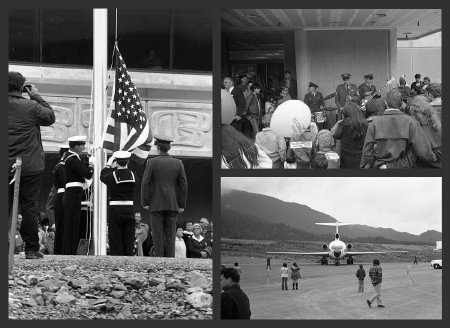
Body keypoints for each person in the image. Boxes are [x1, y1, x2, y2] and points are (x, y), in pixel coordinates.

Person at [8, 71, 56, 259]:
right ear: (22, 87)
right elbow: (50, 117)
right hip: (29, 166)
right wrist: (35, 95)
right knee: (29, 207)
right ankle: (31, 250)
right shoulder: (31, 106)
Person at [360, 89, 437, 168]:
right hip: (405, 168)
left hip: (381, 166)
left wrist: (371, 164)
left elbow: (367, 152)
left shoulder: (374, 123)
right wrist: (434, 159)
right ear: (401, 104)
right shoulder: (412, 122)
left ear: (386, 102)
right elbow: (423, 151)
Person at [141, 135, 188, 257]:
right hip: (173, 203)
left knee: (157, 235)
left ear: (157, 147)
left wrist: (145, 202)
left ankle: (159, 260)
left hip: (156, 203)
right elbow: (183, 185)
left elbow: (145, 183)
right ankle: (170, 259)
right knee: (170, 235)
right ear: (169, 147)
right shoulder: (178, 163)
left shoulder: (151, 162)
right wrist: (181, 204)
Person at [100, 150, 137, 256]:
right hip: (129, 209)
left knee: (115, 238)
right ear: (128, 162)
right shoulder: (134, 175)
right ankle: (128, 260)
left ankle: (117, 262)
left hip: (115, 209)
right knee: (129, 238)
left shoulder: (112, 175)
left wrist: (108, 164)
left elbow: (102, 176)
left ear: (115, 162)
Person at [62, 136, 94, 255]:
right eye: (81, 145)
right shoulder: (72, 159)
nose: (83, 148)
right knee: (72, 224)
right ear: (75, 146)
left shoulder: (71, 158)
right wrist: (91, 164)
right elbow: (87, 174)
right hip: (73, 194)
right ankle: (70, 252)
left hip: (73, 193)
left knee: (72, 223)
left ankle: (69, 251)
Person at [408, 97, 441, 168]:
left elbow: (424, 154)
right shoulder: (437, 125)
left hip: (428, 165)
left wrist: (434, 157)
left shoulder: (419, 129)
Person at [333, 102, 368, 168]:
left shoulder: (342, 124)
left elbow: (336, 136)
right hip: (361, 157)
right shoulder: (365, 124)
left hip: (346, 158)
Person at [52, 145, 69, 255]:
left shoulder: (62, 166)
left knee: (64, 225)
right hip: (63, 196)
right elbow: (65, 182)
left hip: (63, 196)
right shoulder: (61, 167)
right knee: (62, 225)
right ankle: (60, 251)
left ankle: (61, 250)